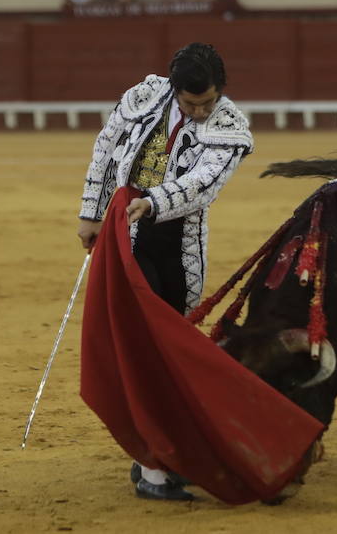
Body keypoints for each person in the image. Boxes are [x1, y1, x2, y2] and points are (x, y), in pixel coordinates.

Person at [76, 41, 253, 504]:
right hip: (125, 237)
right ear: (173, 90)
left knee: (168, 347)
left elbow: (202, 185)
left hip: (177, 246)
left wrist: (153, 202)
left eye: (207, 102)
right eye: (190, 103)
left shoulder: (230, 126)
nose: (198, 111)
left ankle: (151, 457)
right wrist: (90, 213)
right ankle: (155, 469)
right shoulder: (146, 95)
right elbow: (107, 147)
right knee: (145, 349)